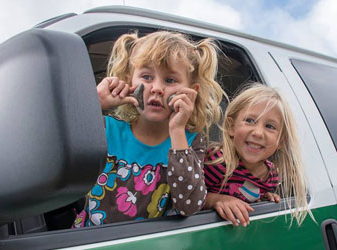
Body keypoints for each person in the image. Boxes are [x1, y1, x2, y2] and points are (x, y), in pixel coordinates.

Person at [73, 31, 226, 227]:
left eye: (170, 80)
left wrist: (177, 130)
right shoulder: (105, 129)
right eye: (146, 76)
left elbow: (189, 206)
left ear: (191, 92)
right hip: (89, 240)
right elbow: (55, 155)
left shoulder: (189, 141)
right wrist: (94, 103)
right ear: (129, 82)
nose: (157, 88)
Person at [203, 83, 311, 227]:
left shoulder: (271, 176)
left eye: (270, 126)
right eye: (249, 121)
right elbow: (187, 200)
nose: (258, 133)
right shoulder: (217, 162)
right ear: (231, 126)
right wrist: (216, 200)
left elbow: (252, 195)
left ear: (281, 141)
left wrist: (266, 199)